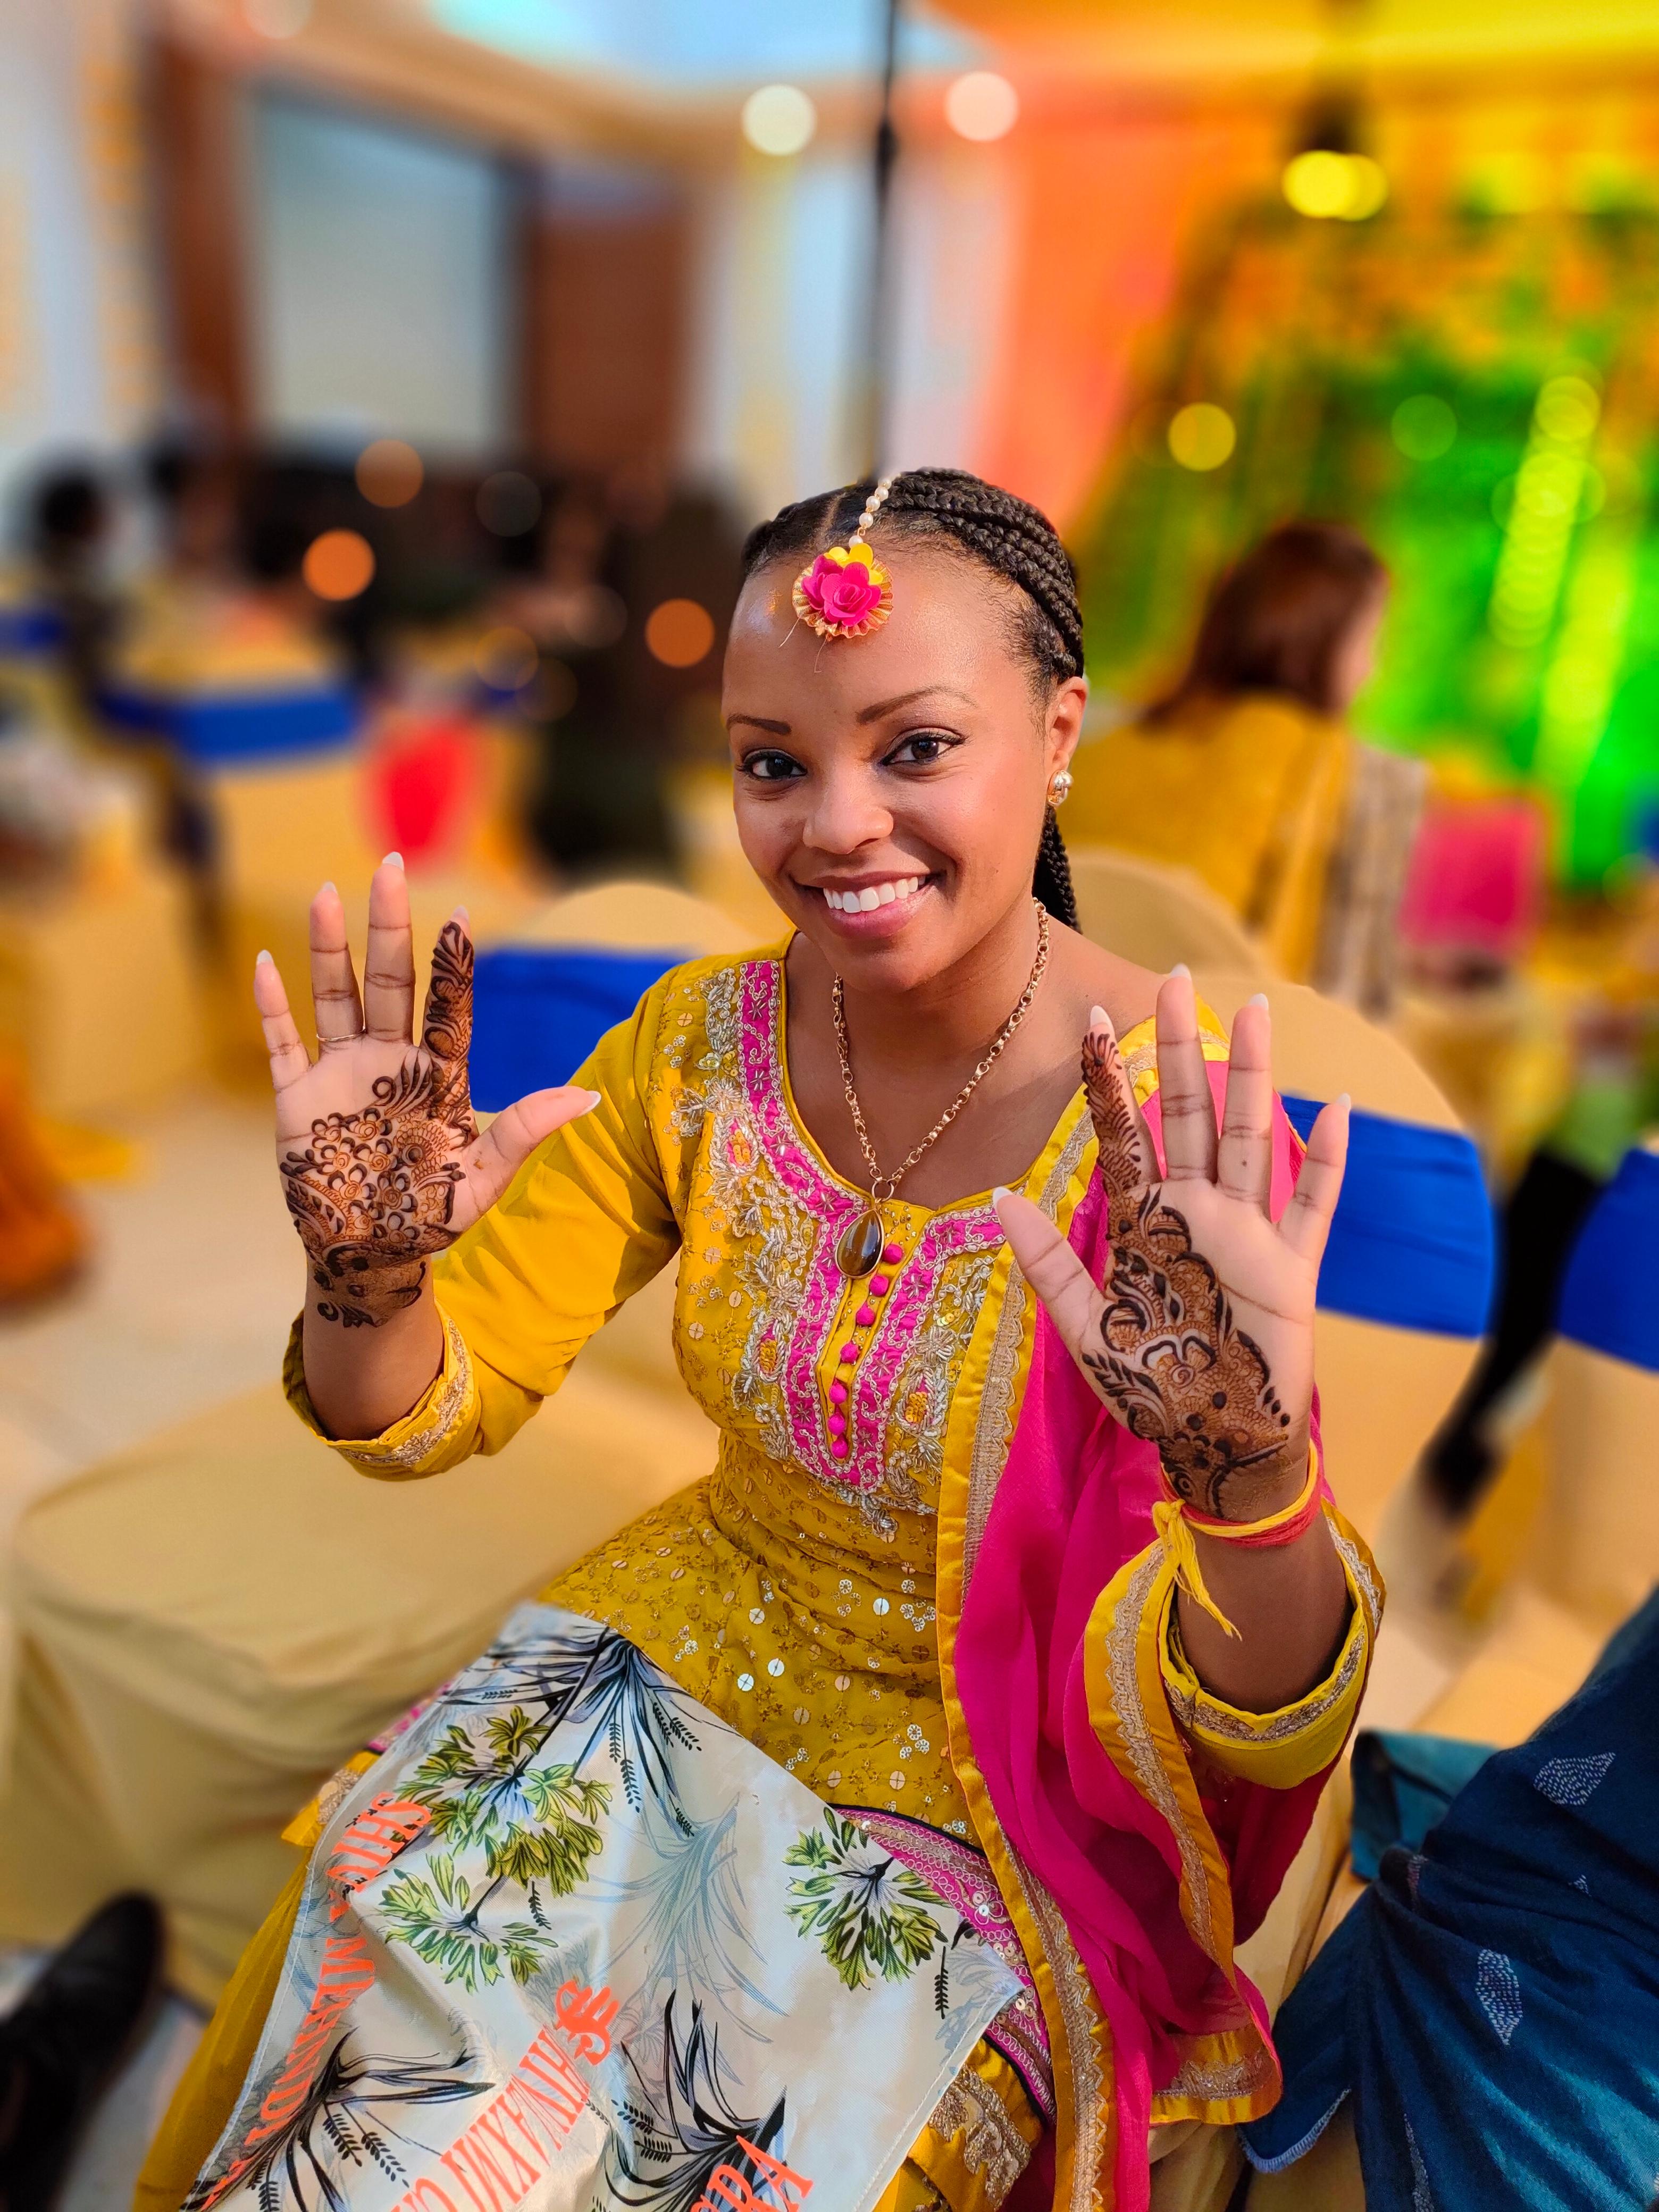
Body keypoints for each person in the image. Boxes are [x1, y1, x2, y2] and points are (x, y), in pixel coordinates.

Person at [137, 470, 1375, 2212]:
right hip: (668, 1667)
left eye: (917, 746)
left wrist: (1250, 1464)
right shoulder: (701, 1043)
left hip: (990, 1802)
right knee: (391, 2096)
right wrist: (369, 1275)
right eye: (775, 763)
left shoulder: (1182, 1141)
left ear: (1064, 728)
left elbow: (1267, 1720)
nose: (836, 827)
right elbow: (414, 1410)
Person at [1066, 523, 1388, 984]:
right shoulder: (1316, 754)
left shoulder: (1111, 740)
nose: (1371, 669)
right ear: (1318, 637)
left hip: (1066, 1001)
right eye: (1369, 641)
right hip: (1203, 1027)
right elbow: (1287, 963)